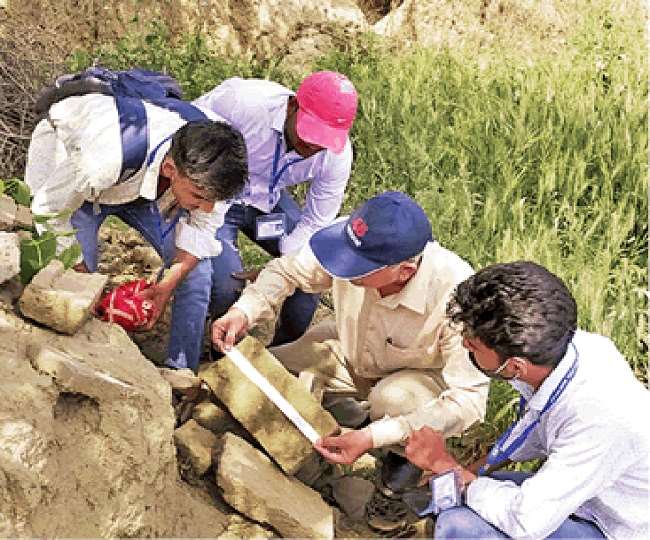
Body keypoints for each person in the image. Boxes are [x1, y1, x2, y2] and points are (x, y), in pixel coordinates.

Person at [211, 191, 489, 467]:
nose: (344, 266)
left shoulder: (457, 297)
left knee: (394, 400)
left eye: (359, 267)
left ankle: (403, 456)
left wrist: (373, 437)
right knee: (264, 373)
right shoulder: (353, 241)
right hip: (350, 347)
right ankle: (342, 415)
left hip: (418, 377)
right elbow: (286, 271)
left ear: (404, 271)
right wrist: (243, 311)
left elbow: (469, 400)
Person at [404, 261, 649, 539]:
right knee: (464, 495)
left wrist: (445, 466)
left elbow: (526, 523)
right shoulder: (570, 350)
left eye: (472, 344)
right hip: (587, 496)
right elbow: (534, 427)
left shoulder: (600, 420)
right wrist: (467, 472)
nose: (464, 345)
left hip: (614, 527)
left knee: (460, 527)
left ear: (515, 366)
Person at [25, 93, 248, 368]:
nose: (207, 208)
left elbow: (201, 232)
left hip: (148, 186)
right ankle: (82, 359)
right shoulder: (103, 159)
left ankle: (180, 370)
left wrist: (166, 286)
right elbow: (49, 209)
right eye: (199, 197)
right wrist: (82, 271)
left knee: (197, 273)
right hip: (80, 175)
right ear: (170, 169)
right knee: (76, 283)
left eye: (213, 200)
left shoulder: (219, 164)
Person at [186, 71, 357, 366]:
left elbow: (315, 222)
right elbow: (186, 135)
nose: (314, 147)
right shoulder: (243, 103)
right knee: (228, 285)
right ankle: (221, 360)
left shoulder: (336, 156)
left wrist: (283, 268)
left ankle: (280, 362)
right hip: (219, 197)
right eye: (310, 134)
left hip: (268, 201)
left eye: (324, 141)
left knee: (306, 281)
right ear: (292, 106)